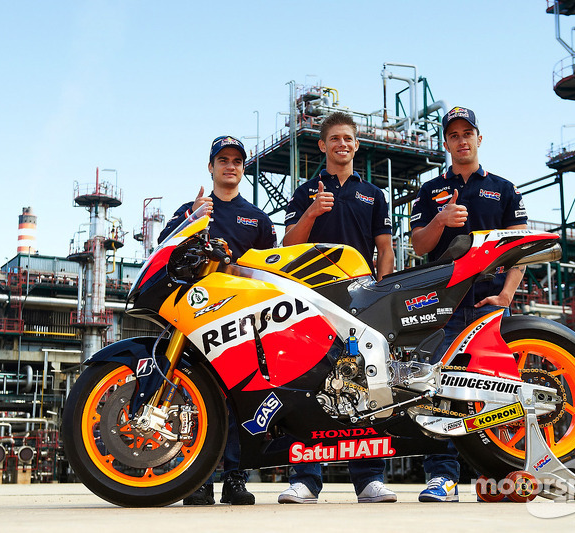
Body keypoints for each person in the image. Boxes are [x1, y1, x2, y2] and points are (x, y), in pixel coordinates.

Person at [409, 106, 528, 502]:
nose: (461, 140)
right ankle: (442, 476)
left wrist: (507, 294)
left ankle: (500, 476)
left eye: (468, 133)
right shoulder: (428, 192)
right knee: (438, 387)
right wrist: (440, 220)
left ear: (479, 139)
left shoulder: (504, 188)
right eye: (454, 135)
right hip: (441, 304)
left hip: (490, 301)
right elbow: (419, 246)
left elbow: (521, 250)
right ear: (445, 143)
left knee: (499, 390)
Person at [278, 111, 397, 504]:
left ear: (356, 144)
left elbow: (385, 249)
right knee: (307, 383)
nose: (342, 145)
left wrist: (382, 294)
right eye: (335, 139)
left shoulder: (374, 194)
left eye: (348, 139)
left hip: (362, 299)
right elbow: (287, 244)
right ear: (322, 145)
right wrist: (312, 212)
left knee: (366, 382)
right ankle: (305, 479)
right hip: (312, 298)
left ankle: (368, 480)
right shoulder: (305, 192)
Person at [158, 135, 276, 505]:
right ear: (210, 167)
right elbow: (162, 252)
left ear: (243, 168)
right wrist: (191, 220)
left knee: (241, 400)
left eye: (237, 161)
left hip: (243, 322)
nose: (230, 166)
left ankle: (236, 480)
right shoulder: (192, 210)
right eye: (222, 160)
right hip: (196, 320)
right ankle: (199, 479)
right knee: (196, 400)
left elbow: (273, 270)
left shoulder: (257, 219)